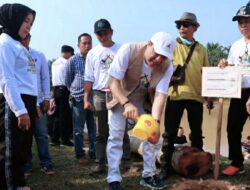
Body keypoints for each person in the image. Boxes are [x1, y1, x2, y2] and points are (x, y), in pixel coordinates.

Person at [106, 32, 176, 190]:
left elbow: (160, 95)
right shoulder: (128, 50)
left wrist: (156, 124)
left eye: (164, 57)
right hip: (121, 96)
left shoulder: (167, 67)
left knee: (151, 135)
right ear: (149, 44)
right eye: (157, 54)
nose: (158, 60)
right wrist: (126, 103)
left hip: (143, 99)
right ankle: (113, 178)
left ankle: (149, 175)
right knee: (116, 136)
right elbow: (113, 82)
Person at [159, 12, 212, 180]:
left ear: (195, 28)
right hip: (175, 96)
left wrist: (209, 96)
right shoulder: (172, 45)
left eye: (186, 24)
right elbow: (161, 66)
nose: (182, 27)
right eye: (179, 25)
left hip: (196, 97)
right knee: (169, 134)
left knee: (197, 133)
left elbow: (207, 74)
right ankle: (165, 166)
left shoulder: (202, 49)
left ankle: (200, 163)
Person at [84, 18, 131, 174]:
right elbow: (89, 78)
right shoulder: (92, 53)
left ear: (111, 32)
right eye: (99, 34)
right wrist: (86, 98)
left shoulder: (122, 49)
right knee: (100, 132)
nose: (102, 36)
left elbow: (128, 72)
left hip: (117, 93)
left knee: (121, 129)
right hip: (99, 94)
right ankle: (100, 162)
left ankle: (125, 161)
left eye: (105, 33)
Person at [0, 3, 36, 190]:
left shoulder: (17, 44)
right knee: (11, 147)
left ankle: (18, 182)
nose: (29, 26)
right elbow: (7, 79)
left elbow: (28, 77)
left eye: (31, 23)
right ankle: (12, 185)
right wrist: (20, 111)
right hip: (13, 102)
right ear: (14, 19)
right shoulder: (5, 42)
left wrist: (34, 104)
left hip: (26, 100)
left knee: (23, 146)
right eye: (25, 21)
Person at [218, 3, 250, 176]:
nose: (243, 25)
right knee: (232, 128)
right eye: (240, 22)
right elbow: (233, 66)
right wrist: (224, 64)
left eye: (246, 21)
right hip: (238, 92)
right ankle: (237, 163)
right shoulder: (236, 45)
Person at [20, 33, 55, 176]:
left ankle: (46, 164)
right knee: (25, 135)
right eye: (21, 38)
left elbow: (45, 78)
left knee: (41, 134)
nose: (25, 40)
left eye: (27, 37)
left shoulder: (38, 55)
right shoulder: (16, 55)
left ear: (30, 38)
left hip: (39, 102)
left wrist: (47, 98)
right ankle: (27, 165)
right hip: (23, 103)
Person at [65, 33, 96, 163]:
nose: (87, 45)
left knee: (94, 129)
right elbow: (68, 80)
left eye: (89, 43)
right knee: (78, 130)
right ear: (78, 45)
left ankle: (94, 154)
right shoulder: (73, 60)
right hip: (78, 99)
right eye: (84, 43)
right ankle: (80, 154)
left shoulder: (95, 58)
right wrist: (76, 92)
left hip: (94, 99)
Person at [51, 45, 74, 146]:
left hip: (55, 90)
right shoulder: (67, 63)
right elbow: (70, 77)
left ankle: (54, 138)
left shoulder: (54, 63)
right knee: (64, 116)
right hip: (64, 90)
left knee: (58, 116)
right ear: (68, 52)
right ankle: (65, 139)